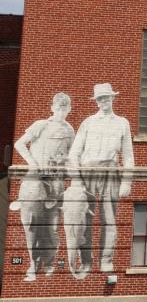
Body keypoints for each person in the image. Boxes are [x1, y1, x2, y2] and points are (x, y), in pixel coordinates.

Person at [67, 83, 134, 275]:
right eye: (99, 99)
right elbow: (74, 153)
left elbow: (128, 155)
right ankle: (86, 260)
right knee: (84, 219)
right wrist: (76, 180)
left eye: (106, 97)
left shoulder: (122, 123)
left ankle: (106, 260)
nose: (103, 101)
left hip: (110, 172)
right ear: (96, 102)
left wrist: (127, 181)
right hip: (87, 172)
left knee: (109, 219)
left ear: (113, 98)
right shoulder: (88, 122)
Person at [12, 92, 75, 282]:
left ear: (69, 110)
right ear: (52, 108)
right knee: (30, 224)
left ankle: (48, 262)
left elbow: (72, 156)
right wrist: (33, 164)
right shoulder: (41, 125)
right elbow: (19, 144)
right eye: (58, 108)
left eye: (65, 108)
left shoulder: (70, 130)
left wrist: (65, 164)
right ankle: (32, 264)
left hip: (55, 185)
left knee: (51, 227)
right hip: (35, 182)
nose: (61, 112)